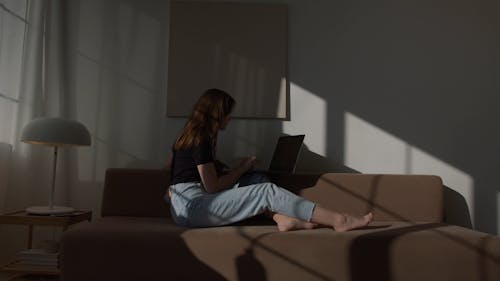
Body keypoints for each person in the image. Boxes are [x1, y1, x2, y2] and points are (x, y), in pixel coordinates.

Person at [165, 88, 373, 232]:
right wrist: (240, 168)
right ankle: (339, 220)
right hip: (193, 207)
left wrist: (233, 171)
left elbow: (173, 167)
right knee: (265, 191)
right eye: (228, 114)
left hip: (188, 203)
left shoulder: (192, 136)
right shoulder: (201, 139)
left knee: (255, 179)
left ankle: (283, 219)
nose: (230, 119)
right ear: (217, 114)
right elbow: (212, 187)